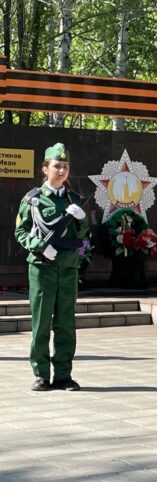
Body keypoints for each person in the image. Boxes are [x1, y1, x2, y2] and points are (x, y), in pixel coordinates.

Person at [13, 143, 90, 392]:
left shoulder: (74, 199)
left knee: (66, 324)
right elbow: (21, 231)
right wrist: (40, 246)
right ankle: (41, 375)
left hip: (68, 268)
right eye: (57, 166)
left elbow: (83, 235)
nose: (62, 170)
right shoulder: (32, 199)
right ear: (45, 169)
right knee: (41, 324)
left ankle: (64, 376)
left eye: (65, 166)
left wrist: (82, 220)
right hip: (42, 269)